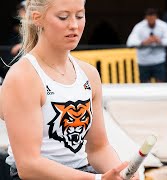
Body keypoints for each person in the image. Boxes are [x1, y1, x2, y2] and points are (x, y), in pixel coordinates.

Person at [1, 0, 138, 179]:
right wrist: (97, 178)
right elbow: (28, 165)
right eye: (63, 17)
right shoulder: (24, 76)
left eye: (80, 16)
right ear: (37, 18)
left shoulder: (89, 74)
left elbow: (98, 148)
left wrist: (118, 172)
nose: (74, 25)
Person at [126, 8, 167, 83]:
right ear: (146, 18)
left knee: (161, 84)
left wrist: (160, 41)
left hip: (158, 61)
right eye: (149, 18)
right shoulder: (139, 27)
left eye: (153, 18)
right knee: (145, 85)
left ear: (156, 17)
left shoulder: (163, 25)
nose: (151, 20)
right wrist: (143, 42)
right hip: (144, 62)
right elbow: (130, 42)